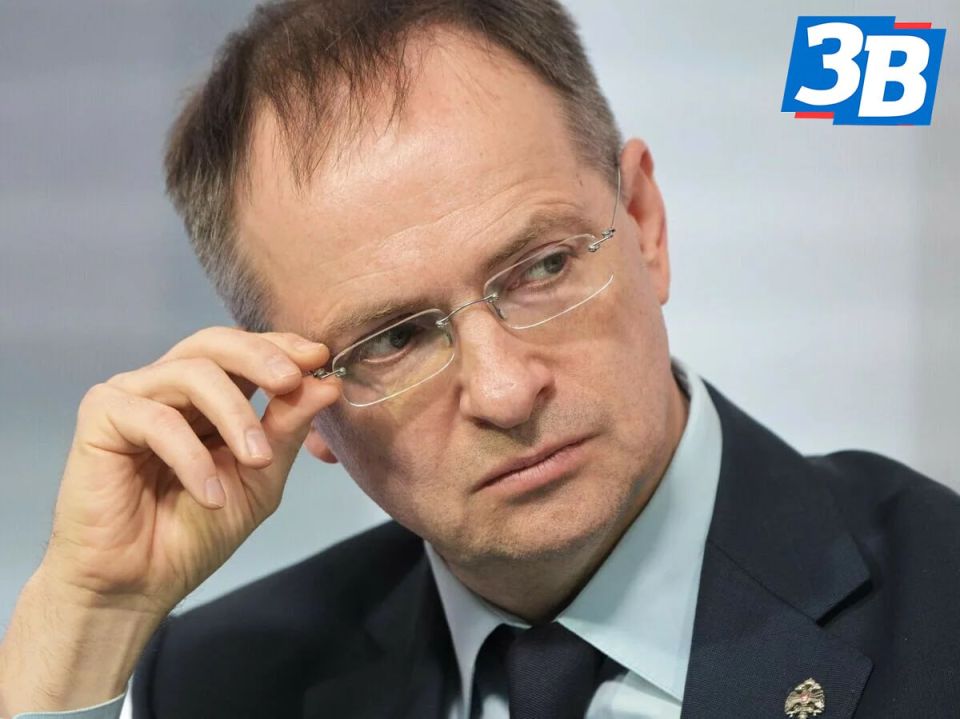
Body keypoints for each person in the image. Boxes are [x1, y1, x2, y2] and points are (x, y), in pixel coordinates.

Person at [1, 1, 958, 717]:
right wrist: (83, 625)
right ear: (300, 401)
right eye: (393, 337)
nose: (505, 390)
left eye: (542, 268)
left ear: (644, 224)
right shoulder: (220, 683)